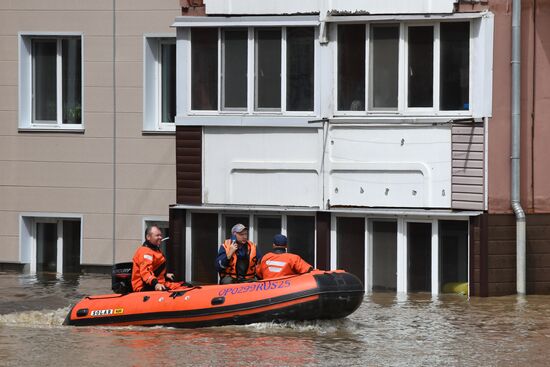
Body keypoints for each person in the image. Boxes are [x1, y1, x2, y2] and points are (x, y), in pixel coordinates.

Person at [131, 225, 182, 292]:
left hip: (160, 283)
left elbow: (155, 268)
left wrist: (165, 274)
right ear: (148, 237)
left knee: (184, 286)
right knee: (174, 293)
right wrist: (156, 284)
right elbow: (146, 272)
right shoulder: (145, 252)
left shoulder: (155, 250)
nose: (160, 237)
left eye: (160, 235)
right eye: (157, 235)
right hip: (145, 287)